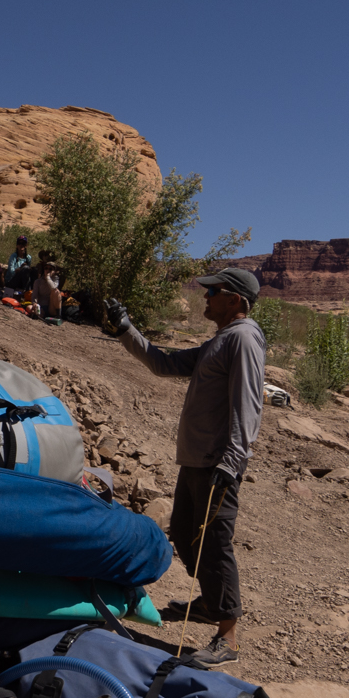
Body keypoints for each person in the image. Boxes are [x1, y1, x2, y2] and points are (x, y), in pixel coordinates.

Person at [110, 266, 266, 662]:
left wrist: (231, 462)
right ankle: (213, 602)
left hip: (218, 464)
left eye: (214, 292)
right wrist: (127, 329)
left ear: (236, 301)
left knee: (214, 546)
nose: (206, 296)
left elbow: (248, 404)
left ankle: (227, 640)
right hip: (197, 461)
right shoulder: (221, 340)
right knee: (183, 532)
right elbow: (164, 364)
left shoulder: (244, 339)